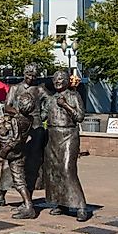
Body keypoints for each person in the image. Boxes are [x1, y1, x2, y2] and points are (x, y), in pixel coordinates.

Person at [0, 63, 50, 207]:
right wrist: (18, 113)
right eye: (28, 75)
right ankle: (1, 194)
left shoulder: (40, 90)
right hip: (17, 127)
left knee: (32, 164)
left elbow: (49, 103)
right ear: (24, 73)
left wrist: (42, 116)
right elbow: (7, 106)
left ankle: (28, 198)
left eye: (34, 76)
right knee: (8, 162)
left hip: (36, 129)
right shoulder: (15, 88)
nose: (31, 78)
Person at [44, 70, 89, 222]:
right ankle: (62, 203)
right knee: (54, 170)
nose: (58, 81)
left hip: (68, 135)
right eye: (55, 79)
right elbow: (43, 115)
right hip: (52, 136)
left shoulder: (74, 95)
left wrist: (66, 106)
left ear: (67, 81)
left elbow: (80, 117)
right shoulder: (50, 98)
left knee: (67, 170)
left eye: (61, 79)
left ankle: (82, 206)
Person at [0, 94, 37, 219]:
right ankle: (25, 204)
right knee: (18, 178)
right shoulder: (30, 119)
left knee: (19, 181)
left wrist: (5, 150)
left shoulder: (16, 119)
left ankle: (29, 207)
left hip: (15, 153)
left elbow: (16, 138)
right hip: (22, 150)